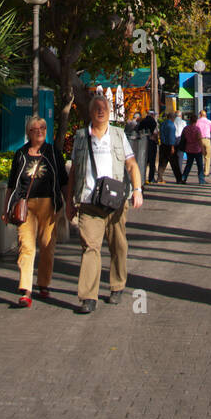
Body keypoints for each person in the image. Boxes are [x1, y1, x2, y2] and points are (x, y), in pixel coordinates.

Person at [65, 94, 144, 313]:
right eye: (96, 108)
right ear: (90, 112)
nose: (100, 111)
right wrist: (70, 201)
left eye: (104, 107)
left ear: (110, 112)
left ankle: (117, 285)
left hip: (116, 202)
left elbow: (131, 164)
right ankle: (88, 297)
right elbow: (74, 172)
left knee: (118, 246)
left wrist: (137, 190)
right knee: (90, 248)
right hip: (89, 203)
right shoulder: (81, 137)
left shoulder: (119, 135)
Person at [3, 116, 69, 308]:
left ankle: (43, 283)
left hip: (49, 204)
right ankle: (26, 289)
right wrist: (6, 207)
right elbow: (11, 184)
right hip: (25, 206)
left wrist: (70, 203)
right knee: (27, 246)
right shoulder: (21, 154)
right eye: (35, 128)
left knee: (47, 245)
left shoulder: (53, 153)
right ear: (28, 133)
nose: (40, 131)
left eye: (43, 128)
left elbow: (63, 180)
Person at [157, 111, 183, 183]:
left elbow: (160, 133)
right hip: (169, 146)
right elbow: (171, 137)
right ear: (173, 118)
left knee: (162, 163)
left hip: (163, 145)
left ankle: (159, 177)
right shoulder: (171, 125)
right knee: (175, 163)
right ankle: (179, 179)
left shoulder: (163, 124)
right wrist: (172, 147)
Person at [181, 114, 206, 184]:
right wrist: (203, 149)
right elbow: (200, 140)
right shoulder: (197, 129)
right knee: (200, 165)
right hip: (197, 149)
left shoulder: (186, 128)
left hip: (189, 149)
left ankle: (183, 178)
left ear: (190, 120)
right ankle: (201, 180)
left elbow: (183, 138)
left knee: (188, 165)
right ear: (196, 121)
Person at [137, 108, 159, 184]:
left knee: (144, 161)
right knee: (152, 162)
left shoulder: (143, 121)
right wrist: (156, 140)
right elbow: (155, 133)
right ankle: (151, 178)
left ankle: (142, 177)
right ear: (152, 115)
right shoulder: (153, 122)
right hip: (151, 143)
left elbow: (138, 130)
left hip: (142, 143)